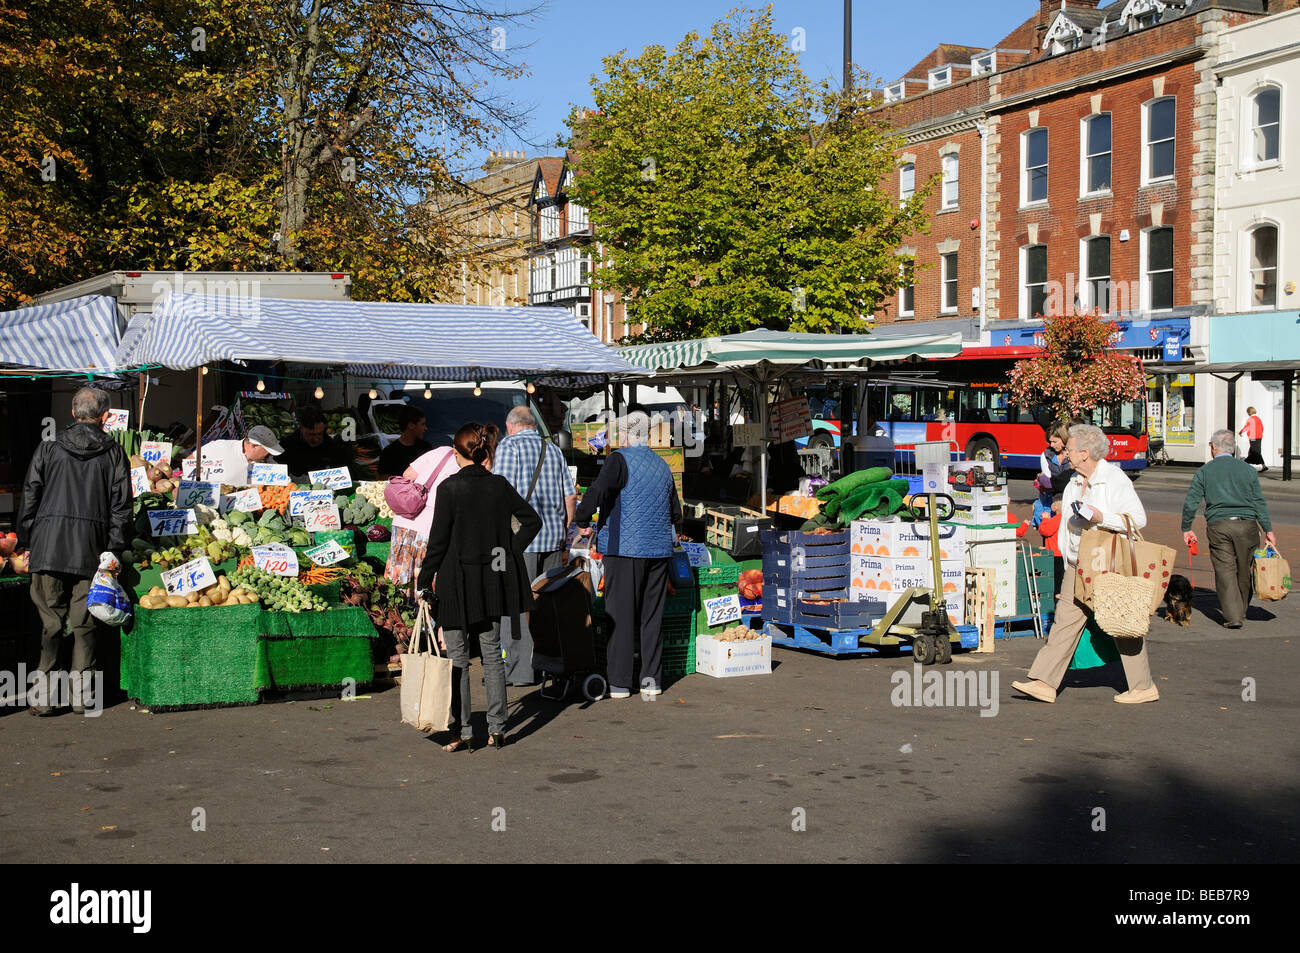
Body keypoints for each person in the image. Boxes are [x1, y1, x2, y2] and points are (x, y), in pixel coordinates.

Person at [1012, 423, 1160, 705]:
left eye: (1069, 449)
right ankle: (1044, 682)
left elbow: (1137, 519)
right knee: (1064, 622)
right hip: (1077, 564)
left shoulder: (1114, 478)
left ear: (1084, 453)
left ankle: (1143, 686)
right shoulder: (1074, 483)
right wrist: (1069, 560)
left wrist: (1100, 516)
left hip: (1107, 564)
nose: (1065, 454)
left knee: (1121, 623)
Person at [416, 423, 541, 751]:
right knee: (491, 655)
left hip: (454, 582)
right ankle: (497, 728)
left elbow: (438, 543)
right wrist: (509, 549)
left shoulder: (449, 489)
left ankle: (461, 731)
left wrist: (423, 581)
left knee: (457, 657)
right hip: (492, 580)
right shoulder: (498, 485)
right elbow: (532, 520)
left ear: (457, 453)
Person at [18, 387, 131, 715]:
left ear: (72, 412)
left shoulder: (49, 446)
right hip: (90, 549)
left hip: (48, 545)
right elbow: (121, 506)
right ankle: (82, 697)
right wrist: (114, 548)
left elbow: (30, 495)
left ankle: (43, 698)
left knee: (51, 623)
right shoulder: (113, 452)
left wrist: (27, 539)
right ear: (104, 416)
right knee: (84, 625)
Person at [574, 410, 682, 698]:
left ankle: (620, 683)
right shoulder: (662, 465)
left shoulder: (618, 461)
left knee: (620, 616)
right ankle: (651, 681)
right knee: (652, 618)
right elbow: (676, 513)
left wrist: (582, 520)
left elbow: (597, 491)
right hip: (659, 551)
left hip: (625, 550)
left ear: (626, 435)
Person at [494, 406, 579, 685]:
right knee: (547, 604)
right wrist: (565, 529)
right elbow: (570, 496)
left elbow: (502, 491)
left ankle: (518, 671)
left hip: (522, 541)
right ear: (532, 425)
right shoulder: (552, 450)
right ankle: (547, 665)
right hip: (553, 537)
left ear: (511, 426)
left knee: (516, 606)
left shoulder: (509, 447)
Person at [1181, 429, 1276, 629]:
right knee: (1245, 569)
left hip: (1219, 525)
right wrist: (1268, 529)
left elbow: (1191, 502)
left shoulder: (1205, 471)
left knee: (1225, 570)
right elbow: (1258, 501)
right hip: (1248, 525)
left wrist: (1187, 527)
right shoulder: (1248, 470)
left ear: (1214, 447)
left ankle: (1233, 616)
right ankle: (1241, 608)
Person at [384, 441, 459, 588]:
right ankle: (421, 610)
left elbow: (407, 474)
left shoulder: (443, 450)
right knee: (423, 583)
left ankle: (397, 609)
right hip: (430, 528)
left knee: (396, 583)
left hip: (403, 521)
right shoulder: (467, 466)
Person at [179, 425, 283, 485]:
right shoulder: (220, 447)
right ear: (254, 446)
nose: (269, 454)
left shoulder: (266, 461)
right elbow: (190, 463)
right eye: (267, 451)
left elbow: (281, 478)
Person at [279, 405, 352, 480]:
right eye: (311, 434)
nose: (316, 439)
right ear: (301, 429)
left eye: (319, 434)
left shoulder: (330, 444)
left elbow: (341, 468)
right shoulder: (287, 445)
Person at [1033, 421, 1073, 526]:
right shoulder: (1046, 455)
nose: (1051, 445)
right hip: (1051, 501)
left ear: (1063, 438)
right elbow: (1048, 482)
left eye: (1054, 441)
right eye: (1050, 442)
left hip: (1068, 500)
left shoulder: (1073, 453)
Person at [377, 405, 431, 478]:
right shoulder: (389, 453)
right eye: (423, 424)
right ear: (411, 425)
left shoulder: (426, 448)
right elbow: (382, 481)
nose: (426, 428)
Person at [1240, 407, 1267, 472]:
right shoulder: (1258, 419)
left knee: (1255, 451)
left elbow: (1247, 427)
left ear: (1249, 412)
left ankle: (1246, 463)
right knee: (1253, 450)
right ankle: (1247, 464)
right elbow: (1262, 428)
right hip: (1259, 436)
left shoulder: (1251, 419)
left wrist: (1241, 432)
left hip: (1253, 436)